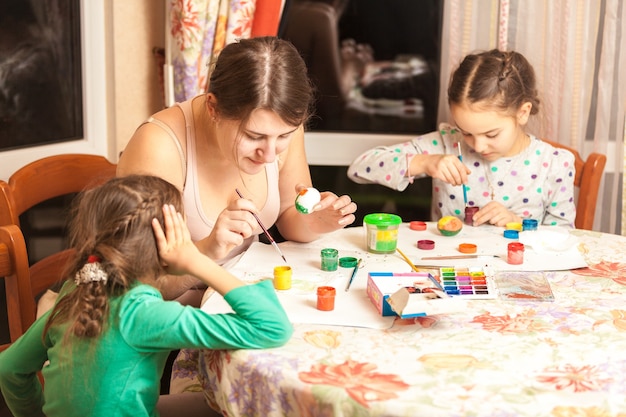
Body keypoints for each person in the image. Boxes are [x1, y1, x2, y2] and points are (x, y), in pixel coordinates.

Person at [0, 175, 293, 417]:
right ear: (166, 246)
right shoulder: (146, 314)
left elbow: (9, 369)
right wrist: (197, 261)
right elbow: (271, 327)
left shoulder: (78, 289)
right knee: (229, 407)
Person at [117, 36, 357, 303]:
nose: (268, 155)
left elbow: (289, 213)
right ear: (213, 107)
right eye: (254, 136)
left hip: (242, 301)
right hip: (178, 321)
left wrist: (313, 222)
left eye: (284, 136)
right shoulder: (159, 146)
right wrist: (207, 251)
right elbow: (138, 288)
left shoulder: (279, 122)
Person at [348, 49, 576, 227]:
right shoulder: (446, 144)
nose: (478, 145)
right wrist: (425, 162)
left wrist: (518, 223)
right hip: (450, 274)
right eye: (466, 132)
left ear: (522, 113)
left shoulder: (555, 164)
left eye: (491, 134)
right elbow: (359, 168)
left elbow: (563, 238)